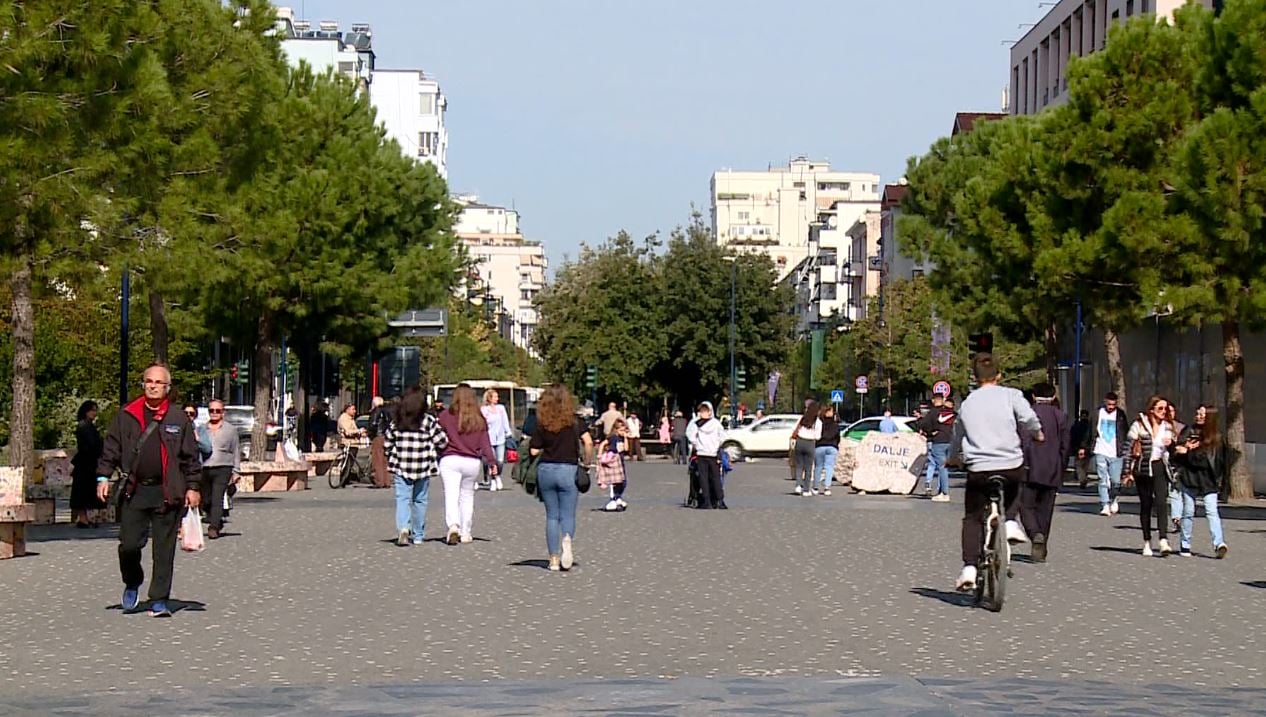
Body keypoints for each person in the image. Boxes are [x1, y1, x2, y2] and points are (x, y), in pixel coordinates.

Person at [95, 364, 202, 617]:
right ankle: (133, 580)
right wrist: (102, 477)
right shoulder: (127, 415)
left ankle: (159, 600)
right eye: (149, 381)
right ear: (143, 384)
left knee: (163, 550)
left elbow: (190, 457)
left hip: (167, 491)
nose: (153, 386)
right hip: (135, 490)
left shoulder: (178, 419)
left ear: (167, 388)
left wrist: (194, 487)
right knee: (129, 545)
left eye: (159, 383)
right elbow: (111, 448)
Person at [951, 354, 1043, 591]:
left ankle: (969, 567)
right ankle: (1011, 521)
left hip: (979, 468)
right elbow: (1028, 418)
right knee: (1015, 485)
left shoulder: (968, 403)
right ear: (999, 376)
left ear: (974, 377)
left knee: (972, 517)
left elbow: (957, 434)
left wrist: (952, 457)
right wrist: (1037, 433)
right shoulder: (1011, 395)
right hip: (1010, 464)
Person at [528, 385, 593, 571]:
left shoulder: (542, 423)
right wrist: (586, 463)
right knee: (568, 514)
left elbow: (533, 450)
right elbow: (588, 443)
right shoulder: (575, 421)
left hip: (546, 470)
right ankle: (567, 540)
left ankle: (554, 559)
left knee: (551, 516)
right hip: (569, 470)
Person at [384, 388, 447, 546]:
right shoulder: (428, 421)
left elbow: (387, 444)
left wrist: (391, 452)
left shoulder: (397, 421)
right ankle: (418, 535)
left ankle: (403, 528)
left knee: (402, 499)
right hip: (423, 466)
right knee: (420, 501)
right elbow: (442, 441)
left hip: (401, 465)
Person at [437, 386, 497, 545]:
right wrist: (492, 462)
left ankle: (453, 526)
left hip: (450, 459)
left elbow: (437, 437)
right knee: (467, 496)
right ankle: (466, 532)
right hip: (471, 461)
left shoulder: (445, 416)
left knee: (451, 495)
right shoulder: (479, 418)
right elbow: (485, 443)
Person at [1019, 383, 1069, 562]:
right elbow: (1065, 446)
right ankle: (1042, 546)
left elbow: (1022, 441)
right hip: (1052, 468)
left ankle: (1034, 534)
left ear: (1033, 396)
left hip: (1029, 467)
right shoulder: (1060, 416)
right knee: (1045, 510)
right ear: (1054, 396)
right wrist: (1061, 469)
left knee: (1025, 505)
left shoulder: (1027, 414)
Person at [1173, 404, 1228, 559]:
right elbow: (1178, 452)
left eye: (1202, 414)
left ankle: (1219, 544)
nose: (1198, 416)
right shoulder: (1189, 431)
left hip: (1208, 480)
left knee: (1212, 512)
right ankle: (1185, 544)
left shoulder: (1216, 437)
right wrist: (1182, 449)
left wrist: (1190, 451)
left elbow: (1209, 461)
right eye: (1197, 413)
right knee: (1188, 512)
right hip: (1189, 478)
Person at [1126, 396, 1176, 557]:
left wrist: (1172, 445)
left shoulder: (1168, 427)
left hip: (1159, 465)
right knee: (1146, 504)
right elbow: (1127, 449)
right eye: (1160, 408)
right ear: (1152, 409)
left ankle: (1163, 539)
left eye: (1166, 409)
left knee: (1161, 502)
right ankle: (1147, 541)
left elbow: (1173, 450)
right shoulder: (1139, 425)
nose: (1164, 412)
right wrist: (1127, 472)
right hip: (1143, 467)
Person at [1081, 391, 1129, 516]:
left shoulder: (1120, 415)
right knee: (1102, 479)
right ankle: (1105, 504)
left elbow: (1125, 431)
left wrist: (1126, 448)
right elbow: (1089, 431)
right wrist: (1083, 447)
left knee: (1115, 480)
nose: (1111, 407)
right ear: (1105, 402)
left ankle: (1114, 499)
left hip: (1116, 451)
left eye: (1113, 405)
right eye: (1109, 404)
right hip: (1100, 449)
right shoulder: (1097, 413)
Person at [200, 399, 241, 540]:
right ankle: (215, 518)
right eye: (212, 410)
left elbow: (236, 450)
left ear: (223, 412)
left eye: (218, 411)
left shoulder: (230, 430)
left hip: (223, 467)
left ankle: (214, 527)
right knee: (206, 499)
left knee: (217, 497)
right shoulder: (202, 428)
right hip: (204, 467)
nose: (215, 413)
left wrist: (236, 471)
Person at [70, 400, 105, 528]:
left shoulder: (88, 425)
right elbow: (91, 445)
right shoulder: (84, 426)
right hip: (85, 463)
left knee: (87, 491)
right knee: (82, 491)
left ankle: (85, 518)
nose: (94, 413)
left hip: (89, 462)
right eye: (92, 410)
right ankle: (83, 518)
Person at [685, 401, 725, 509]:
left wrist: (697, 444)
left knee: (713, 478)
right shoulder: (715, 423)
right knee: (707, 479)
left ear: (709, 412)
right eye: (701, 411)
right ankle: (713, 500)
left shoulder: (698, 424)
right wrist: (716, 445)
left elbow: (690, 435)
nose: (703, 413)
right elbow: (723, 437)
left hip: (705, 453)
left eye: (705, 411)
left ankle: (715, 500)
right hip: (706, 453)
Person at [917, 394, 956, 501]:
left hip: (938, 441)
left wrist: (930, 433)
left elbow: (923, 424)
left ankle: (944, 493)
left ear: (934, 400)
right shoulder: (950, 412)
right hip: (950, 440)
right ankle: (940, 490)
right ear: (943, 400)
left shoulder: (932, 412)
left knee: (941, 467)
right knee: (944, 467)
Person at [481, 389, 512, 491]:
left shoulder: (501, 408)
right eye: (495, 397)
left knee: (500, 461)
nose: (497, 399)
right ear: (489, 398)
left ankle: (498, 475)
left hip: (500, 438)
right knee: (492, 461)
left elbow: (505, 420)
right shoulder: (484, 410)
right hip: (489, 438)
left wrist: (508, 431)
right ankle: (493, 480)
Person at [597, 418, 630, 511]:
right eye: (621, 430)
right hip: (613, 461)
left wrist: (626, 437)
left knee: (623, 481)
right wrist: (600, 455)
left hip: (621, 461)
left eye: (624, 430)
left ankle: (618, 496)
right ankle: (614, 497)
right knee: (615, 481)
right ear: (616, 429)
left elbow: (626, 449)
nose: (623, 432)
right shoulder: (612, 437)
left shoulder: (621, 438)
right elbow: (603, 444)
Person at [791, 400, 821, 496]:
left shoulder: (803, 419)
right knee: (808, 468)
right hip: (810, 443)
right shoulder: (818, 422)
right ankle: (806, 490)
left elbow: (795, 430)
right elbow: (818, 437)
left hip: (800, 442)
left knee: (799, 465)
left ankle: (798, 486)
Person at [814, 403, 841, 496]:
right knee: (829, 467)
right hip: (832, 446)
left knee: (818, 467)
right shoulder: (835, 425)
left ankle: (816, 487)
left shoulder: (819, 423)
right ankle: (827, 488)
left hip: (819, 446)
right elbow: (838, 437)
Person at [367, 396, 393, 489]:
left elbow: (373, 424)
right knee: (385, 459)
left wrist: (369, 433)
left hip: (378, 436)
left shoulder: (376, 411)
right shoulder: (387, 411)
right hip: (386, 436)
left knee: (377, 459)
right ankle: (387, 481)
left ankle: (379, 481)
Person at [1068, 409, 1091, 488]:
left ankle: (1082, 479)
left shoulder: (1076, 425)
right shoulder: (1090, 426)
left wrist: (1074, 448)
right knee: (1085, 465)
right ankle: (1083, 478)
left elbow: (1072, 437)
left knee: (1079, 466)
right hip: (1088, 448)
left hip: (1078, 448)